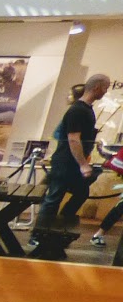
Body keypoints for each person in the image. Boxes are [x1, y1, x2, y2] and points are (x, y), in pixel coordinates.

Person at [35, 72, 111, 230]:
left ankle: (61, 223)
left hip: (72, 164)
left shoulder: (87, 110)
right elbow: (73, 139)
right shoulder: (77, 110)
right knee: (54, 197)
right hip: (65, 163)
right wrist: (83, 164)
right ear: (97, 87)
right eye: (105, 87)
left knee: (81, 193)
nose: (106, 91)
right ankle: (38, 234)